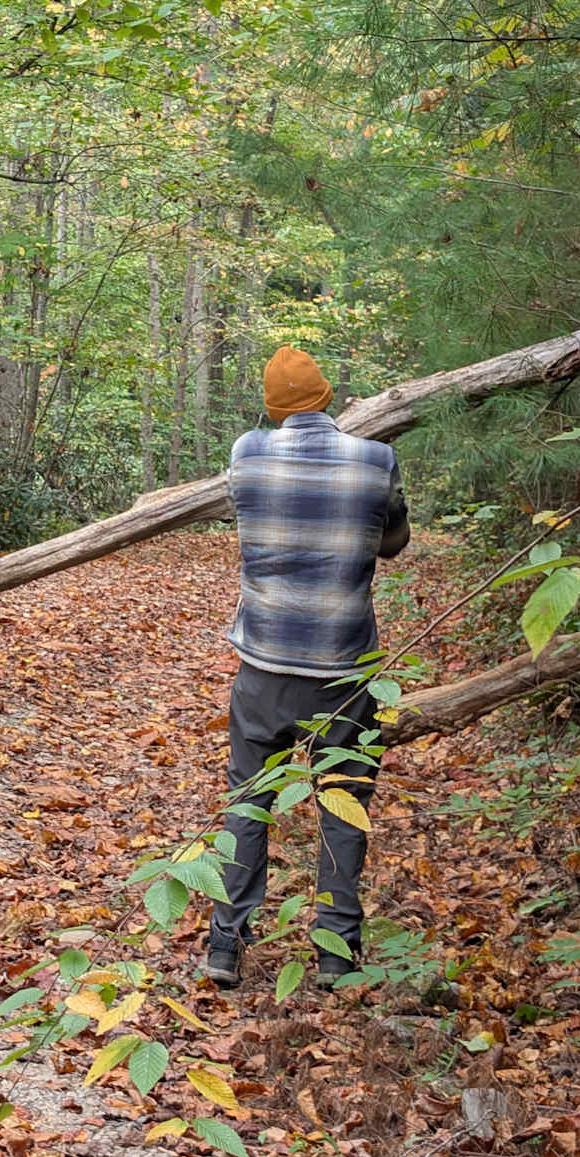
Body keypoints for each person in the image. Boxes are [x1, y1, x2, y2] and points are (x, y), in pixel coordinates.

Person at [201, 345, 408, 988]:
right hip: (343, 673)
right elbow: (395, 544)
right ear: (326, 398)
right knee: (342, 805)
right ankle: (335, 954)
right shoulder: (376, 459)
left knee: (248, 801)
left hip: (263, 666)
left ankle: (225, 947)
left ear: (270, 407)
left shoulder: (247, 454)